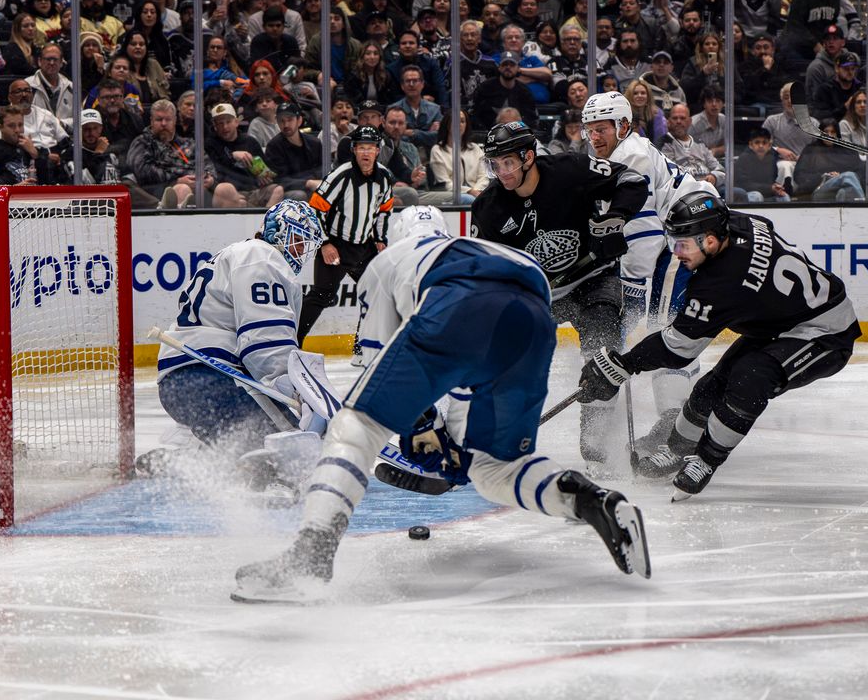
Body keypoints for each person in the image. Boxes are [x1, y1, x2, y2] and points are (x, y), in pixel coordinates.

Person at [232, 206, 650, 602]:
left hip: (457, 304)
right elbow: (469, 369)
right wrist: (452, 441)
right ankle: (593, 501)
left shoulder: (388, 262)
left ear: (394, 236)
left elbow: (384, 364)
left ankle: (311, 554)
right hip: (534, 320)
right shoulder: (483, 249)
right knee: (493, 468)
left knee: (355, 427)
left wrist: (422, 426)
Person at [578, 191, 861, 498]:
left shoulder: (720, 285)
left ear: (710, 241)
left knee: (750, 378)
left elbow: (678, 348)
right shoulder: (739, 223)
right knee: (710, 388)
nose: (677, 252)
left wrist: (623, 365)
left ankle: (706, 460)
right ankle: (677, 450)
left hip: (826, 332)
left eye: (683, 244)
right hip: (783, 322)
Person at [470, 121, 647, 472]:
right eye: (495, 164)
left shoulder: (570, 169)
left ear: (529, 157)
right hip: (540, 293)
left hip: (595, 276)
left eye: (508, 162)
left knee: (601, 355)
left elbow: (632, 181)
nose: (501, 172)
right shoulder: (488, 208)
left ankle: (595, 446)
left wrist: (615, 218)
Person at [151, 199, 335, 487]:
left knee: (238, 443)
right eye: (297, 239)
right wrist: (296, 393)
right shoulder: (263, 257)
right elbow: (264, 343)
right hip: (212, 380)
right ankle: (267, 483)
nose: (301, 250)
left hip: (181, 385)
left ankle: (187, 457)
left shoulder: (236, 254)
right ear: (276, 231)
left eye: (305, 244)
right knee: (296, 441)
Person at [581, 91, 718, 460]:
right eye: (589, 130)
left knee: (665, 329)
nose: (594, 137)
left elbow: (644, 236)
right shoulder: (617, 156)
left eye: (602, 129)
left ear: (623, 126)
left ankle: (676, 421)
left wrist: (632, 292)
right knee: (672, 328)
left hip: (687, 237)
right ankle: (681, 416)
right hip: (687, 234)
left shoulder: (632, 157)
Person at [296, 125, 395, 345]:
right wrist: (324, 243)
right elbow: (315, 208)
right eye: (361, 147)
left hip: (365, 246)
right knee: (322, 295)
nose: (366, 152)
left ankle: (362, 345)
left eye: (370, 147)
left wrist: (380, 239)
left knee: (377, 292)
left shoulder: (385, 178)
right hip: (336, 244)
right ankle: (293, 340)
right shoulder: (341, 176)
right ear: (354, 150)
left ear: (377, 150)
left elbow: (384, 211)